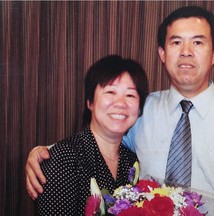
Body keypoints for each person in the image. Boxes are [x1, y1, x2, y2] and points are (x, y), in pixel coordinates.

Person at [26, 6, 214, 215]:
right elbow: (103, 136)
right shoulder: (141, 109)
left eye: (197, 43)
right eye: (176, 43)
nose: (186, 52)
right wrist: (45, 153)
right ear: (162, 53)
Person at [33, 55, 149, 215]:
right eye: (110, 92)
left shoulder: (131, 162)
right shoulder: (63, 158)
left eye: (130, 95)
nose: (121, 103)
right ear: (90, 102)